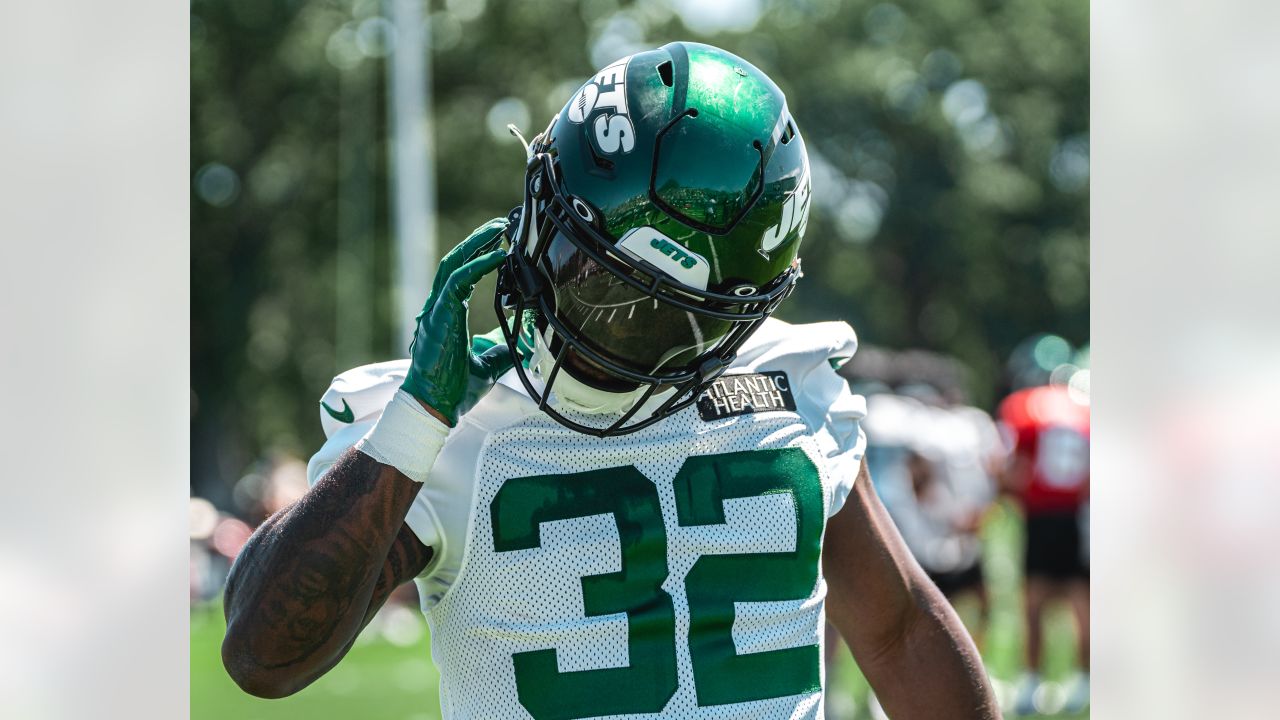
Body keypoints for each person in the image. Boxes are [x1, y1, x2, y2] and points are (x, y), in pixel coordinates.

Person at [220, 42, 997, 719]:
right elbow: (261, 657)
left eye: (654, 315)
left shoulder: (790, 380)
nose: (597, 329)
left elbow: (899, 633)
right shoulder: (447, 421)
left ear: (739, 313)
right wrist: (418, 418)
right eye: (581, 262)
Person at [999, 337, 1090, 716]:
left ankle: (1033, 681)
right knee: (1082, 604)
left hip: (1041, 516)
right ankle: (1085, 681)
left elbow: (1014, 470)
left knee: (1034, 602)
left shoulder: (1024, 407)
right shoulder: (1085, 409)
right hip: (1078, 517)